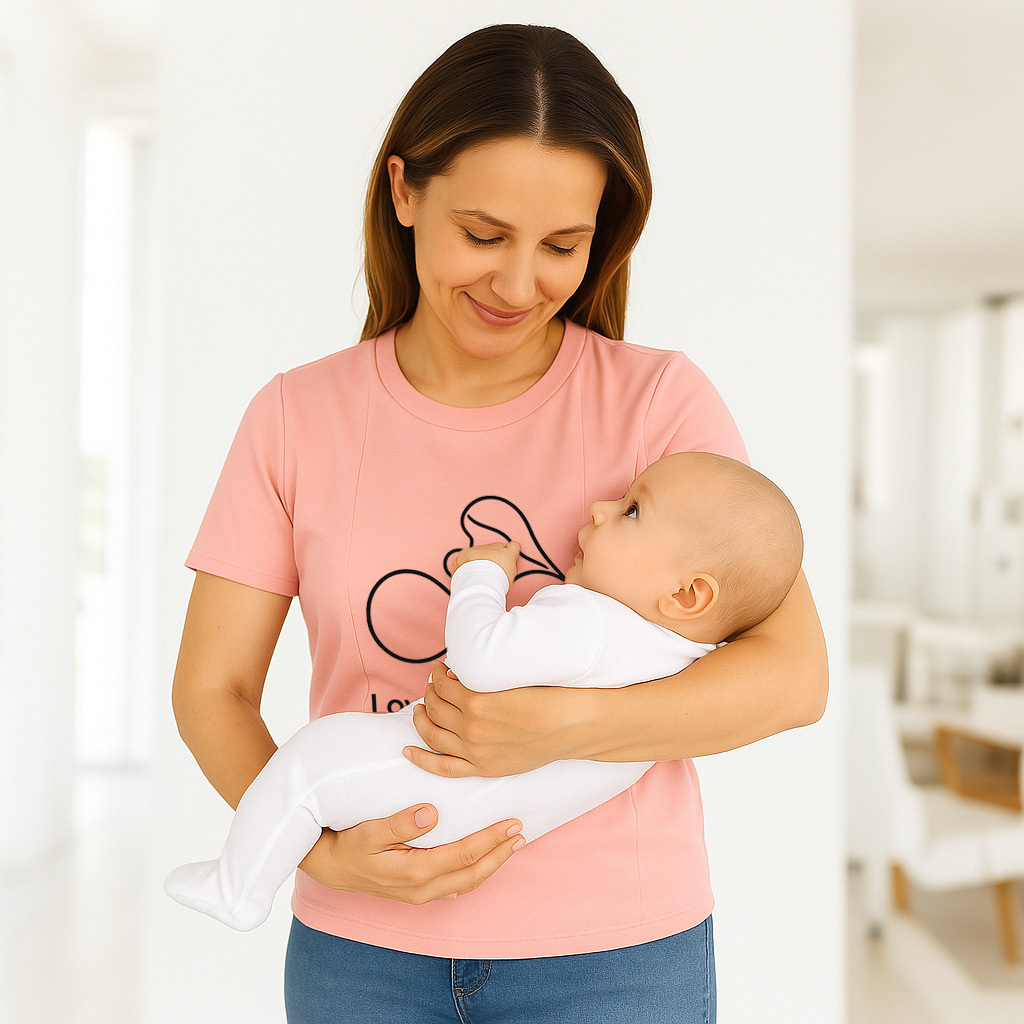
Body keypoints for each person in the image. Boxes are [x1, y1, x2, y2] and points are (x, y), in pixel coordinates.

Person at [170, 23, 828, 1024]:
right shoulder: (297, 416)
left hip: (617, 958)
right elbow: (211, 687)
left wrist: (566, 727)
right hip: (362, 951)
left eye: (562, 245)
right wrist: (320, 848)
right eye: (483, 234)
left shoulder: (656, 402)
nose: (519, 284)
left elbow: (792, 675)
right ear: (403, 193)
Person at [164, 452, 803, 933]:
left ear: (688, 593)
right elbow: (212, 688)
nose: (601, 509)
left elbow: (480, 655)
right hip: (481, 816)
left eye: (633, 511)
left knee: (307, 764)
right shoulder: (676, 657)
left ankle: (239, 888)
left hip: (436, 784)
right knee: (312, 777)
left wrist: (479, 575)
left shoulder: (591, 620)